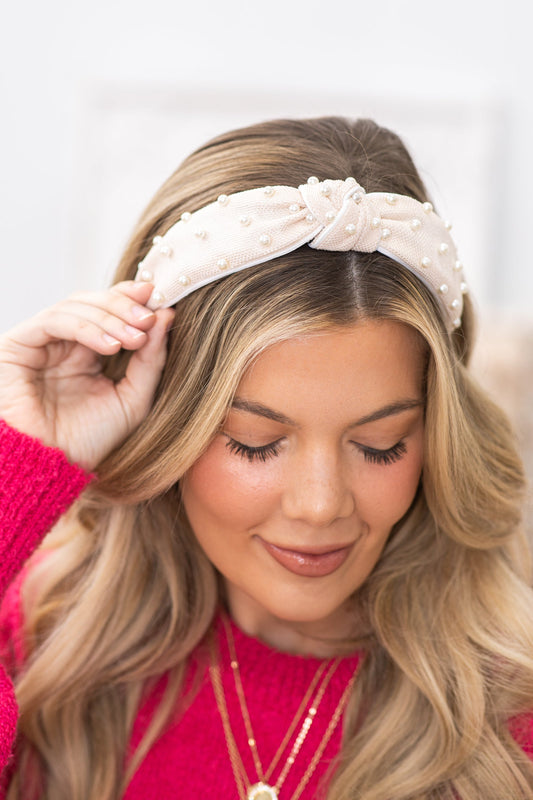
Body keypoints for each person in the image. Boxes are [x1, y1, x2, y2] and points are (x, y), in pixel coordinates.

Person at [0, 116, 532, 800]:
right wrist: (19, 466)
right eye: (255, 442)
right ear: (170, 420)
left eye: (380, 445)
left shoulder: (508, 717)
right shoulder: (47, 639)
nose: (319, 505)